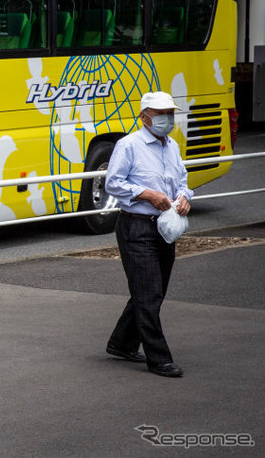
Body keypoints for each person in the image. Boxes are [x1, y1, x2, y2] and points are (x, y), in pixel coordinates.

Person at [103, 91, 192, 378]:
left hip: (165, 225)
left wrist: (184, 197)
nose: (167, 119)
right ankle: (159, 358)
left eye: (170, 113)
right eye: (161, 113)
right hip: (136, 225)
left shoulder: (172, 146)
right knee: (149, 291)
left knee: (153, 289)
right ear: (144, 116)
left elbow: (182, 180)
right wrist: (146, 194)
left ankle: (121, 342)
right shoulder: (129, 145)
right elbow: (112, 183)